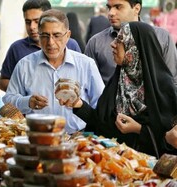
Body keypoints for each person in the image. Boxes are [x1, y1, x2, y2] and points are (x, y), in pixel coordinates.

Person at [69, 22, 177, 157]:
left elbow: (171, 141)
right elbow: (100, 124)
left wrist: (139, 130)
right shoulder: (117, 82)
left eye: (120, 40)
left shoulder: (163, 87)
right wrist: (79, 105)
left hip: (149, 172)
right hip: (114, 166)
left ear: (134, 48)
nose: (112, 44)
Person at [3, 9, 104, 134]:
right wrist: (27, 101)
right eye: (45, 36)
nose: (50, 42)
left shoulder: (86, 65)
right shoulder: (25, 65)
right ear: (39, 36)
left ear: (67, 36)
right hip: (37, 137)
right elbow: (8, 101)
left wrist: (80, 105)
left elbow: (101, 105)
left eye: (56, 35)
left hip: (77, 138)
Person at [85, 0, 177, 86]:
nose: (111, 13)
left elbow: (173, 81)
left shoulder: (161, 38)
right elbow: (89, 87)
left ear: (136, 8)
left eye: (118, 7)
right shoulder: (96, 43)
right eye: (109, 8)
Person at [0, 0, 82, 92]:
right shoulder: (16, 48)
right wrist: (26, 95)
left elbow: (82, 78)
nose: (32, 27)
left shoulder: (70, 45)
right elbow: (3, 81)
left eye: (37, 21)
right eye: (28, 22)